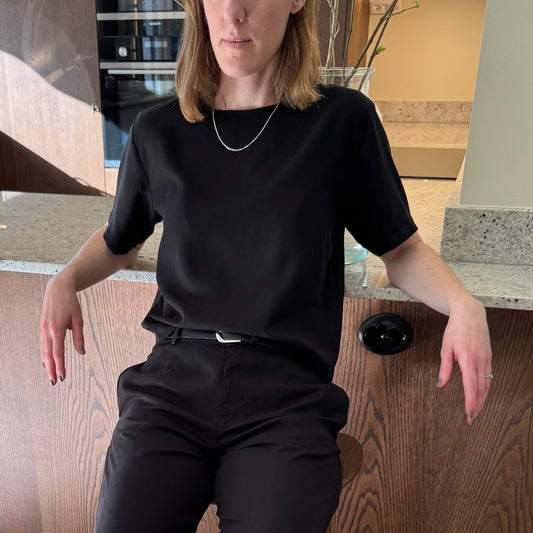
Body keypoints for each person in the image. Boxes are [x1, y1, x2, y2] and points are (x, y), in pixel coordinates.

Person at [40, 0, 492, 531]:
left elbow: (400, 249)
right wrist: (66, 278)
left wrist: (462, 303)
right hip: (172, 388)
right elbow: (120, 239)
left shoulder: (343, 122)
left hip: (285, 399)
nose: (233, 13)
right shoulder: (157, 129)